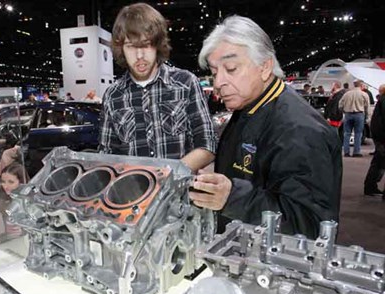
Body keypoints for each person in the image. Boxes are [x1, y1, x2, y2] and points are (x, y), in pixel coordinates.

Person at [190, 15, 342, 238]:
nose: (218, 82)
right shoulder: (249, 107)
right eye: (214, 72)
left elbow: (309, 227)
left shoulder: (300, 131)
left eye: (231, 69)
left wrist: (231, 197)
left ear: (265, 67)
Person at [99, 3, 216, 172]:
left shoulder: (185, 83)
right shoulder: (113, 95)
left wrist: (166, 177)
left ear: (157, 44)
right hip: (133, 195)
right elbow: (106, 156)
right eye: (131, 47)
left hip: (180, 194)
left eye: (146, 45)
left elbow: (207, 144)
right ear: (121, 49)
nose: (139, 56)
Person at [363, 84, 385, 198]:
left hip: (379, 137)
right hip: (382, 137)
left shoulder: (380, 101)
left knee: (378, 162)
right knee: (378, 163)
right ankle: (370, 186)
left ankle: (370, 186)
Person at [339, 80, 369, 157]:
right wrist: (366, 116)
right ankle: (356, 152)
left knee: (347, 133)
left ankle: (346, 152)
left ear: (354, 85)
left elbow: (340, 105)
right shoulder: (364, 94)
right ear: (361, 85)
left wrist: (344, 111)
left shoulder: (347, 94)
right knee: (358, 134)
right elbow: (367, 107)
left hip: (348, 114)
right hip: (359, 114)